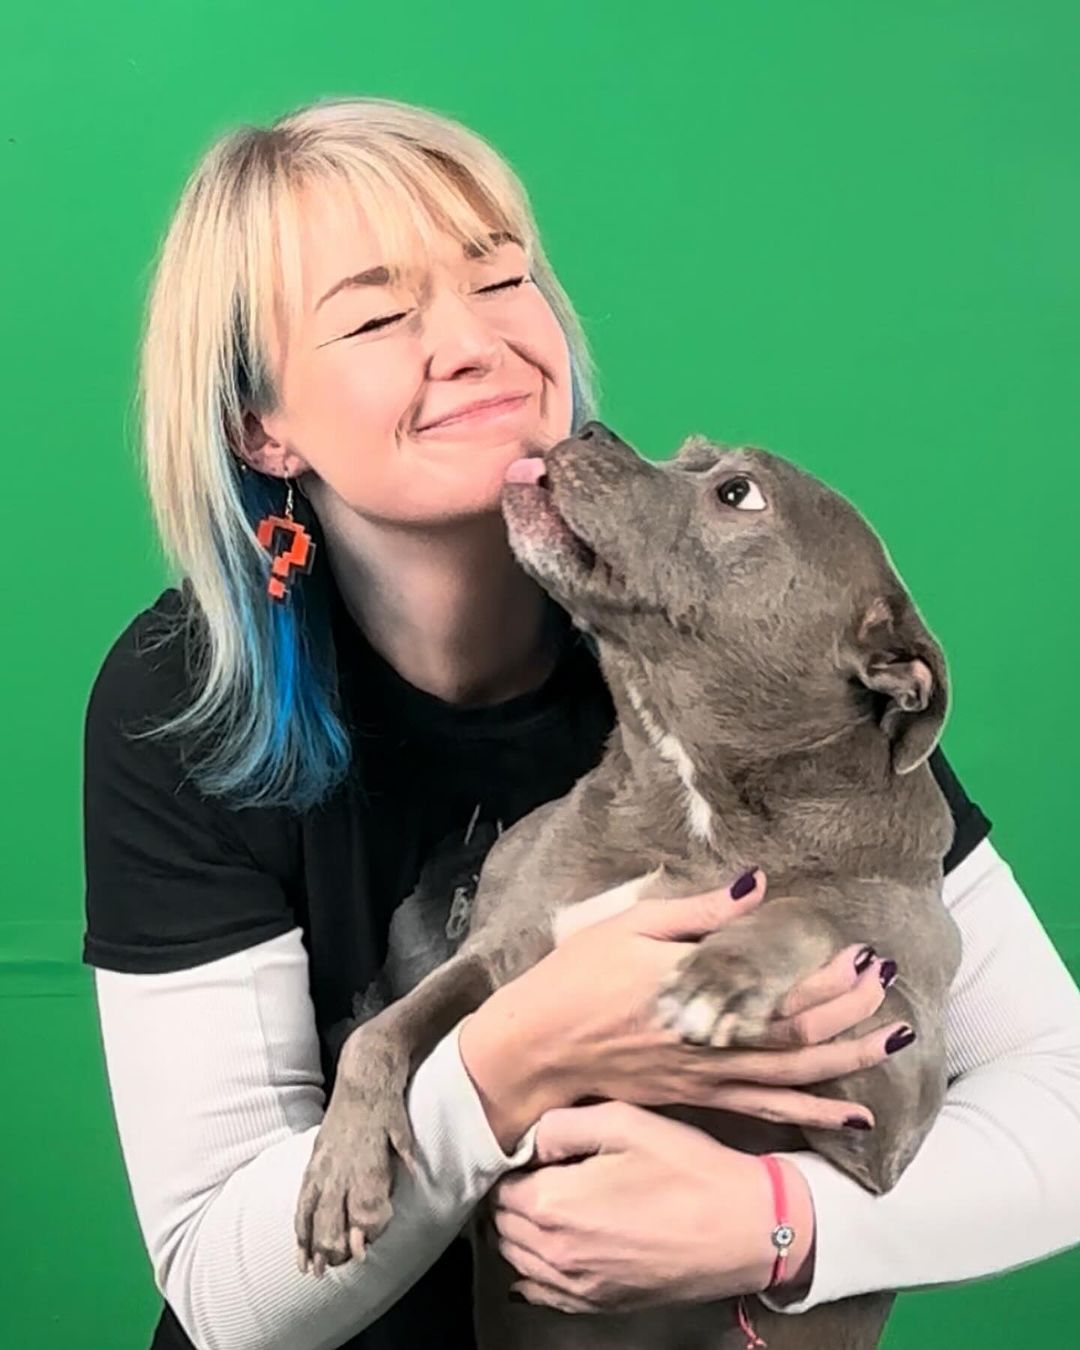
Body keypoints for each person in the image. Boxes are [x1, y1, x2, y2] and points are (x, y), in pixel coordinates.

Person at [82, 96, 1080, 1350]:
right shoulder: (184, 697)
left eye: (502, 278)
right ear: (260, 425)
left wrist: (783, 1219)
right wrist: (513, 1061)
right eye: (381, 314)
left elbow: (1066, 1111)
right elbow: (223, 1295)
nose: (473, 342)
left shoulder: (722, 631)